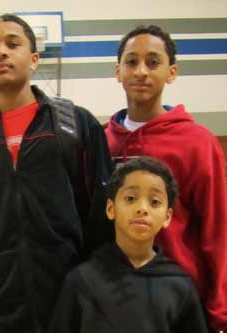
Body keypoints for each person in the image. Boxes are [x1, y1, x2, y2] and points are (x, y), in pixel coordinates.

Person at [0, 13, 113, 333]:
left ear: (34, 59)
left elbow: (102, 215)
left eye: (12, 44)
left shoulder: (74, 125)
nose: (1, 51)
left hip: (71, 302)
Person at [105, 25, 227, 331]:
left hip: (179, 301)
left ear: (172, 72)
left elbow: (217, 230)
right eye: (131, 62)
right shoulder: (100, 141)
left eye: (153, 62)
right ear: (117, 72)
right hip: (113, 300)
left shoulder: (197, 142)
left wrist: (220, 312)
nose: (142, 71)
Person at [49, 157, 208, 333]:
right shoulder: (81, 281)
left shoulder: (180, 286)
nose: (142, 208)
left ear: (167, 216)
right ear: (111, 209)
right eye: (131, 198)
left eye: (154, 202)